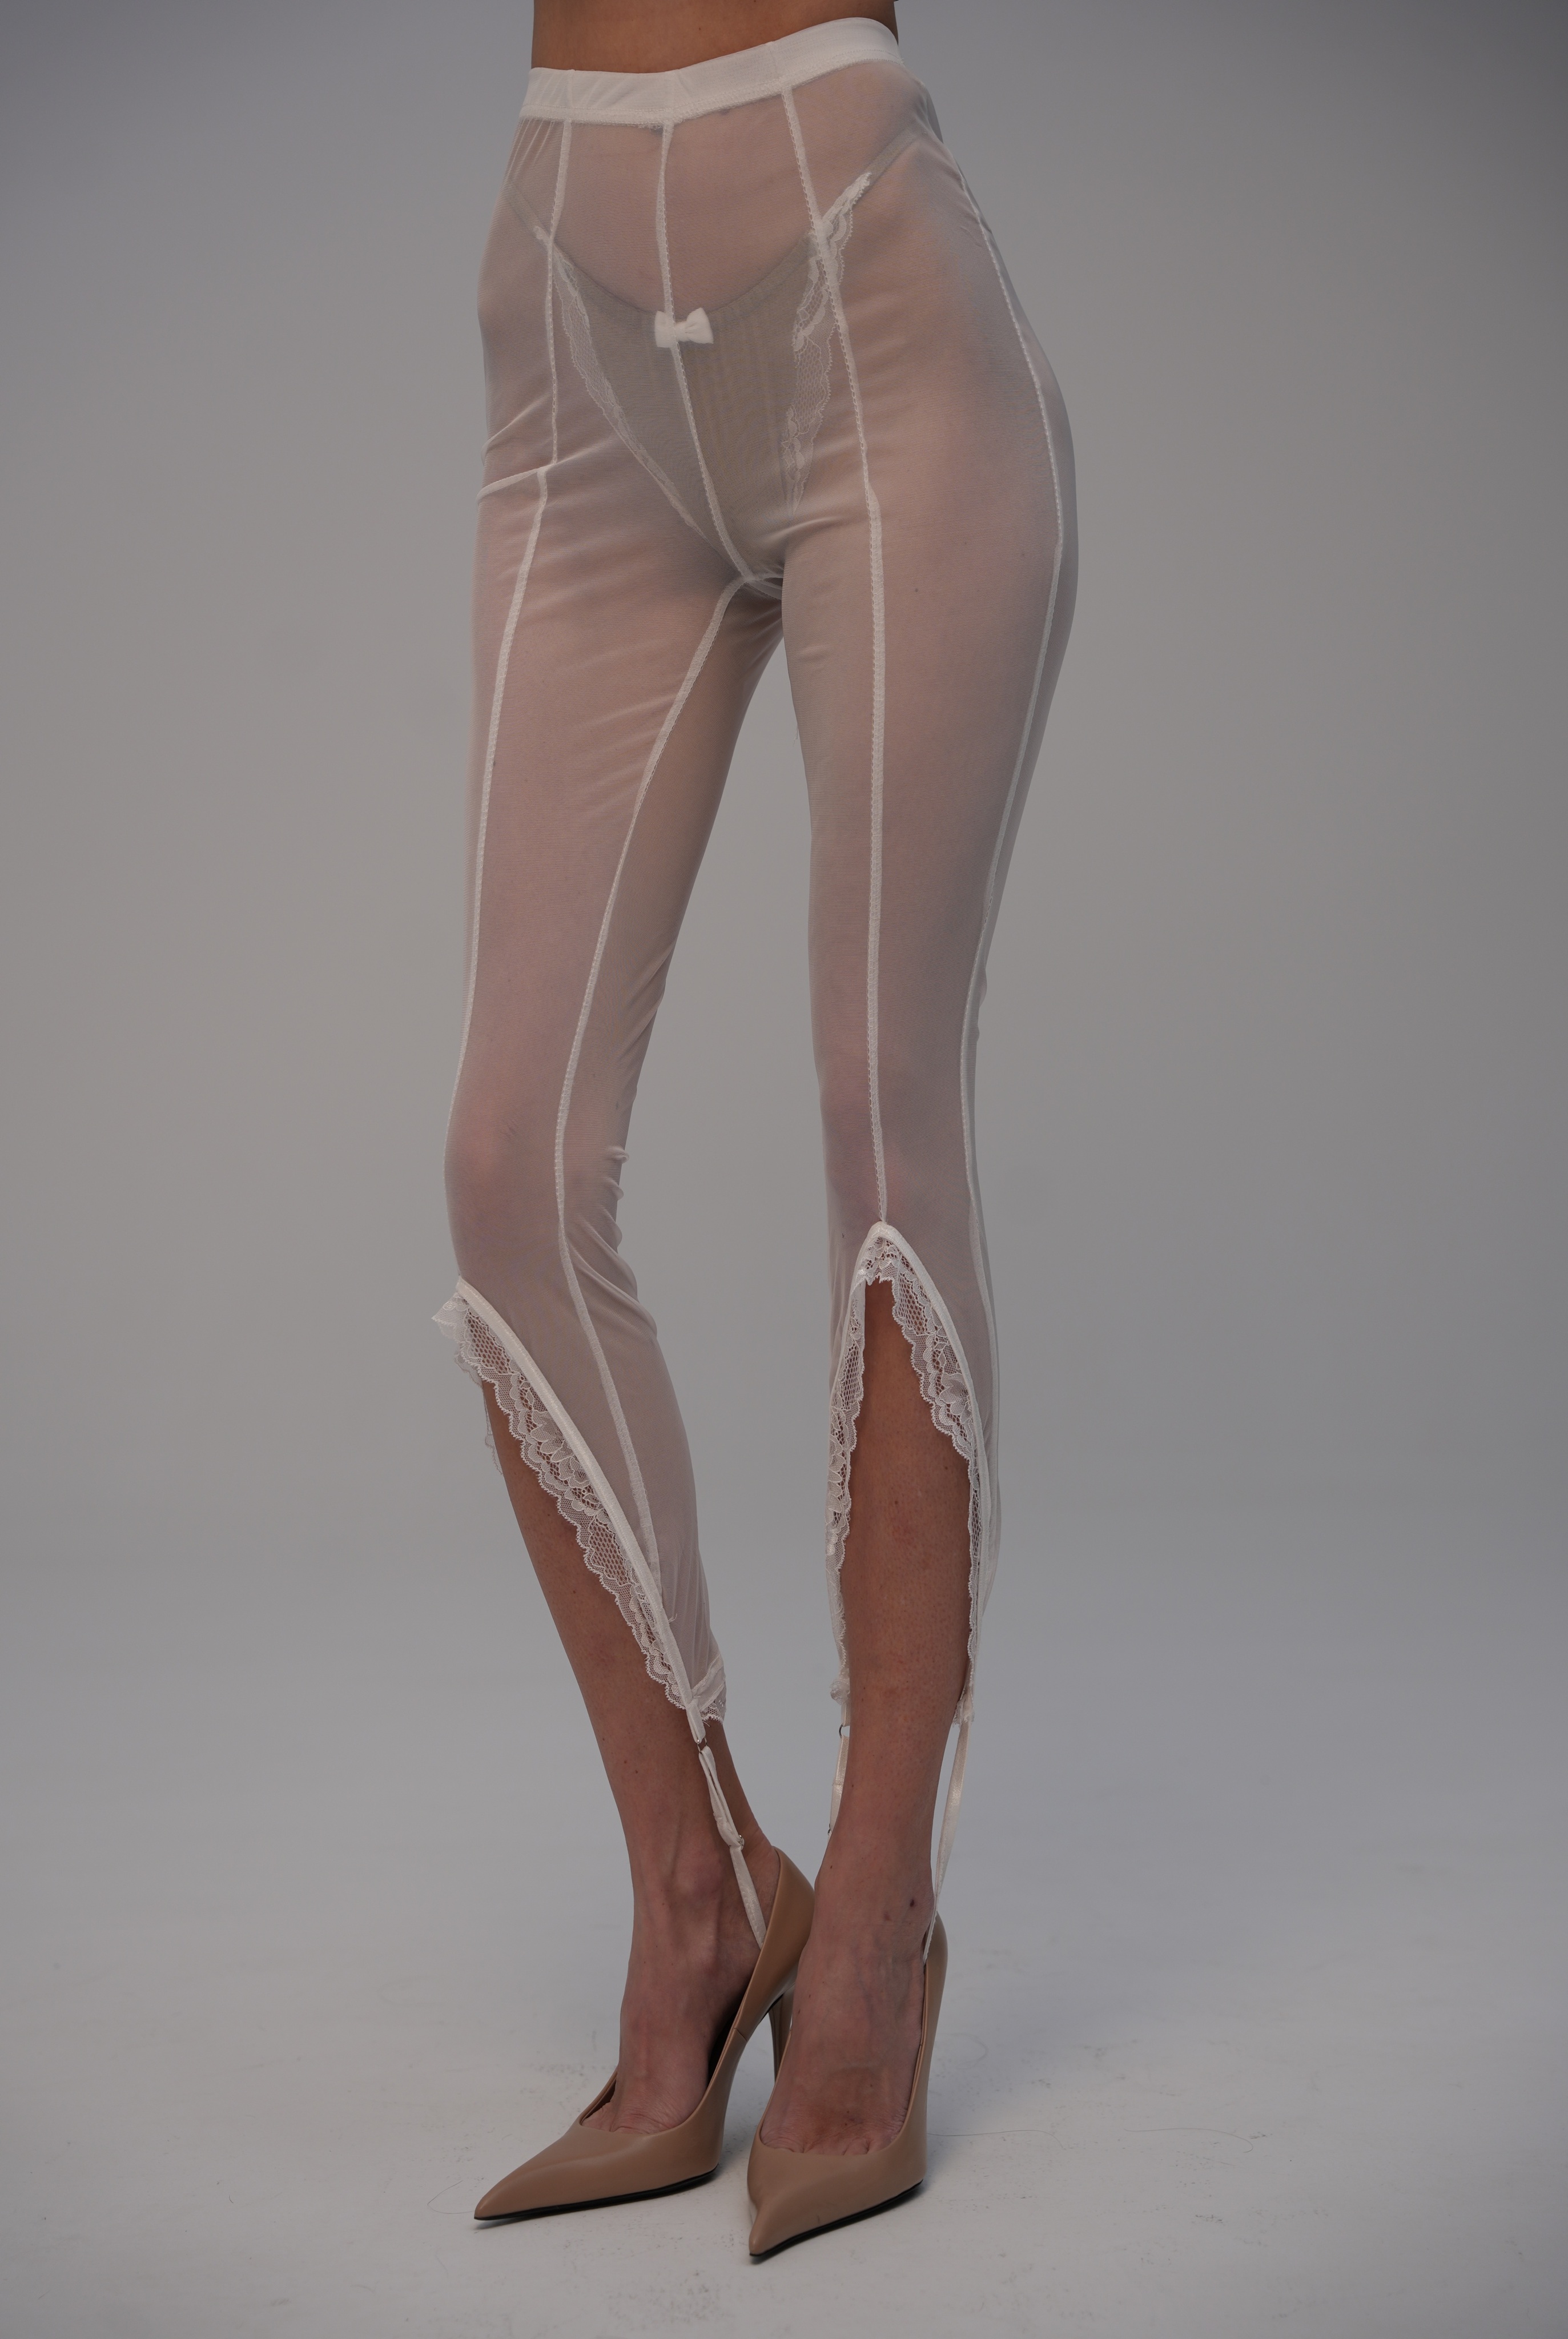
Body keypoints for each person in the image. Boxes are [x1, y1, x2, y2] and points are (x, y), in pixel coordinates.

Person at [438, 0, 1075, 2254]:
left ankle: (879, 1924)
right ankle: (704, 1897)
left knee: (877, 1113)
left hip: (868, 280)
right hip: (567, 313)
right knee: (505, 1169)